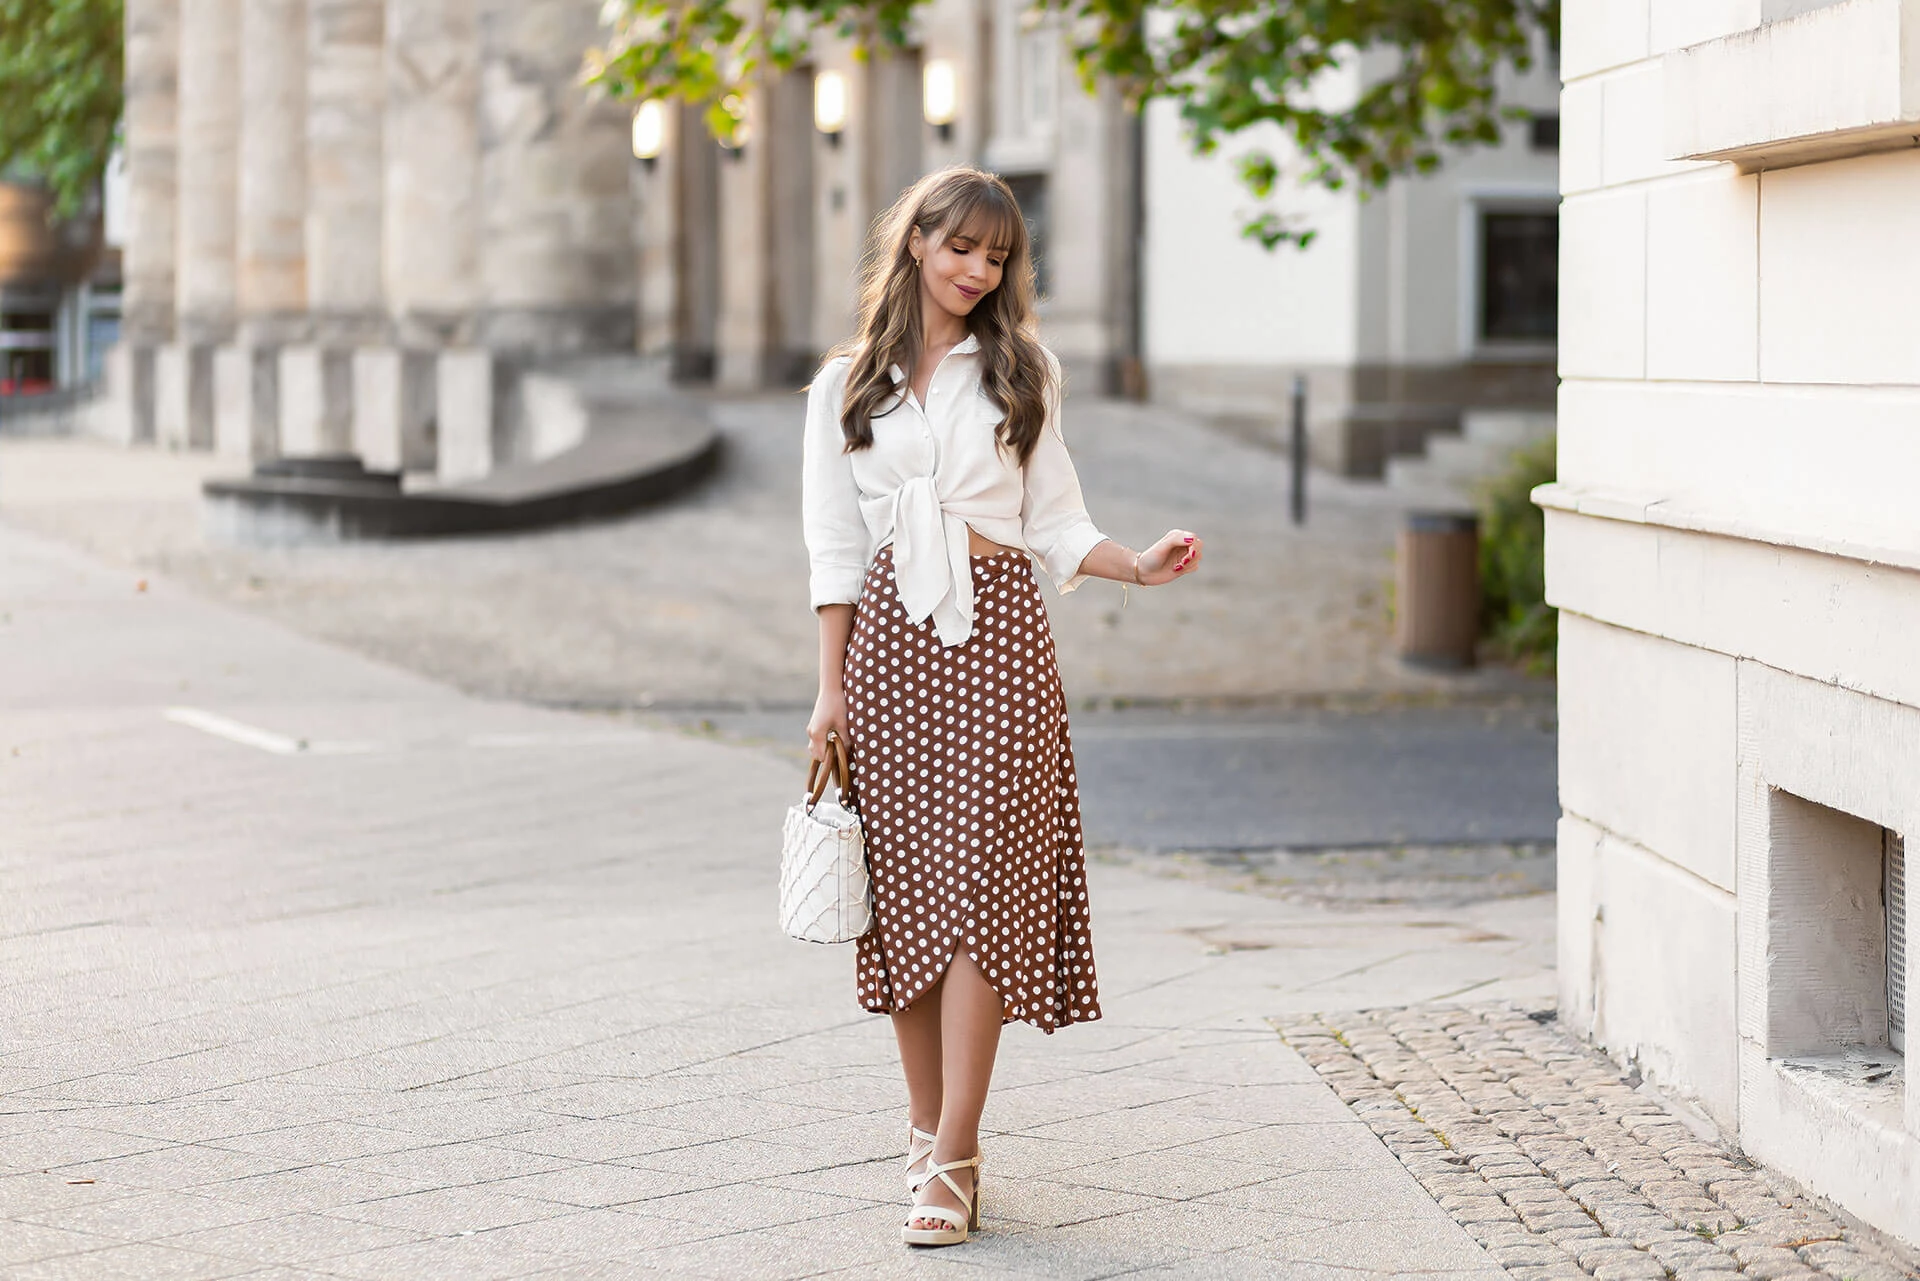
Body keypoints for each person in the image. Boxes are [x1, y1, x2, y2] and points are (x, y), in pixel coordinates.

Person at [801, 166, 1204, 1248]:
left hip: (1002, 644)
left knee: (979, 890)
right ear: (917, 241)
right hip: (889, 648)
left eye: (997, 255)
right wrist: (829, 690)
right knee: (906, 897)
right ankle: (923, 1125)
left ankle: (957, 1153)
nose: (979, 270)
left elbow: (1059, 519)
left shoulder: (1024, 372)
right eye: (961, 247)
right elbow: (835, 553)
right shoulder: (847, 383)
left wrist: (1137, 563)